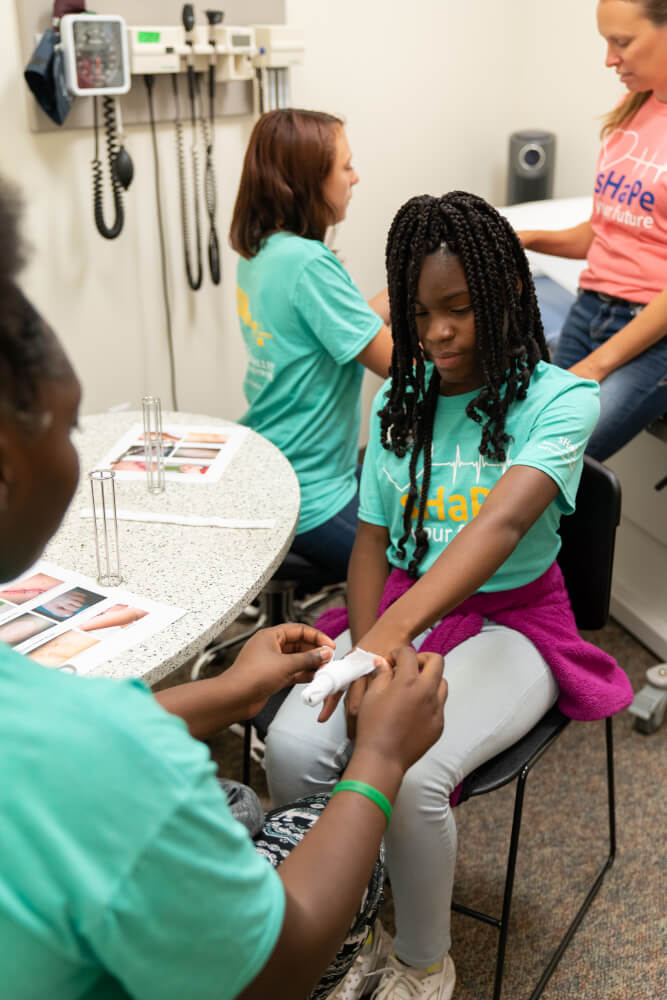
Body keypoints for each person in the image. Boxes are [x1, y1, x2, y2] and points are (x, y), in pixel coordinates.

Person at [0, 175, 448, 1000]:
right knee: (310, 820)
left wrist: (229, 692)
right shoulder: (100, 763)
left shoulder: (61, 728)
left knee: (237, 805)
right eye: (68, 429)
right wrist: (378, 761)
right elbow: (273, 969)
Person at [265, 192, 634, 1000]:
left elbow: (499, 528)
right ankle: (342, 921)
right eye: (418, 312)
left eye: (457, 310)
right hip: (395, 607)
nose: (433, 335)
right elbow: (368, 541)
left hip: (518, 620)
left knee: (413, 770)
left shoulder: (560, 401)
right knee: (296, 747)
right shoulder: (401, 402)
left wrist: (377, 646)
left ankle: (424, 964)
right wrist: (367, 652)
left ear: (507, 293)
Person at [229, 108, 393, 590]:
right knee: (413, 579)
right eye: (345, 166)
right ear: (305, 180)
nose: (354, 177)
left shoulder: (263, 252)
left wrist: (411, 288)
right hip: (312, 491)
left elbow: (342, 322)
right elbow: (400, 367)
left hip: (271, 464)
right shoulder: (310, 263)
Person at [516, 0, 667, 461]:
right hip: (591, 309)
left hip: (651, 332)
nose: (609, 59)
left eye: (621, 42)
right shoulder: (633, 107)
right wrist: (529, 238)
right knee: (521, 432)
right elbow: (609, 231)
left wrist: (596, 365)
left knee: (552, 456)